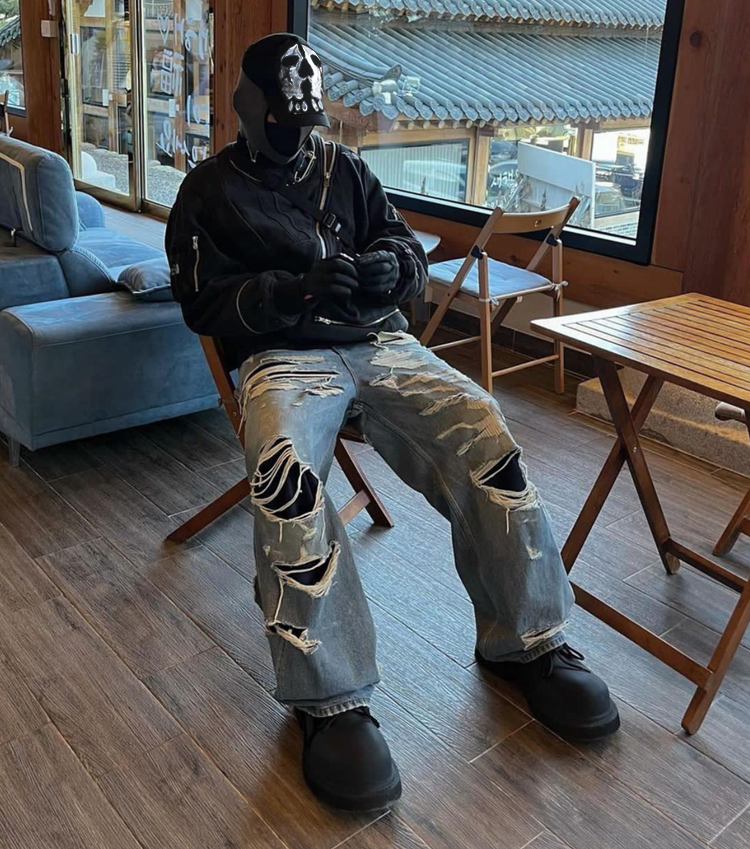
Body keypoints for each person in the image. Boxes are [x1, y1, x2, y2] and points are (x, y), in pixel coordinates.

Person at [166, 32, 620, 813]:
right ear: (248, 107)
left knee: (484, 426)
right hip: (283, 356)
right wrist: (289, 290)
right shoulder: (208, 191)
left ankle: (527, 640)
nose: (295, 137)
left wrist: (394, 268)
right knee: (284, 477)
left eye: (303, 123)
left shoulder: (345, 169)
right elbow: (201, 302)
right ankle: (330, 697)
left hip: (379, 341)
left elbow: (402, 243)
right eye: (280, 121)